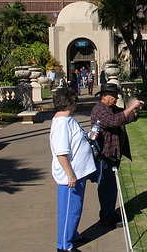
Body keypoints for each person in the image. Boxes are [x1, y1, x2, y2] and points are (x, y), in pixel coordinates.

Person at [50, 87, 96, 251]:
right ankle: (63, 245)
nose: (77, 103)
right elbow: (61, 153)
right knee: (69, 211)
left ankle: (72, 235)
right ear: (68, 103)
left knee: (75, 209)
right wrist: (70, 176)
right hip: (71, 176)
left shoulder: (69, 119)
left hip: (79, 172)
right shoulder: (61, 124)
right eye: (75, 100)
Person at [91, 83, 143, 228]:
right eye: (114, 96)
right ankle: (106, 216)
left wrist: (136, 110)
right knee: (107, 187)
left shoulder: (111, 109)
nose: (116, 99)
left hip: (113, 153)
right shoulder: (100, 110)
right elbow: (114, 121)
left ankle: (109, 212)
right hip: (105, 155)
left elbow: (127, 117)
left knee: (112, 186)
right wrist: (131, 107)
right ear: (104, 97)